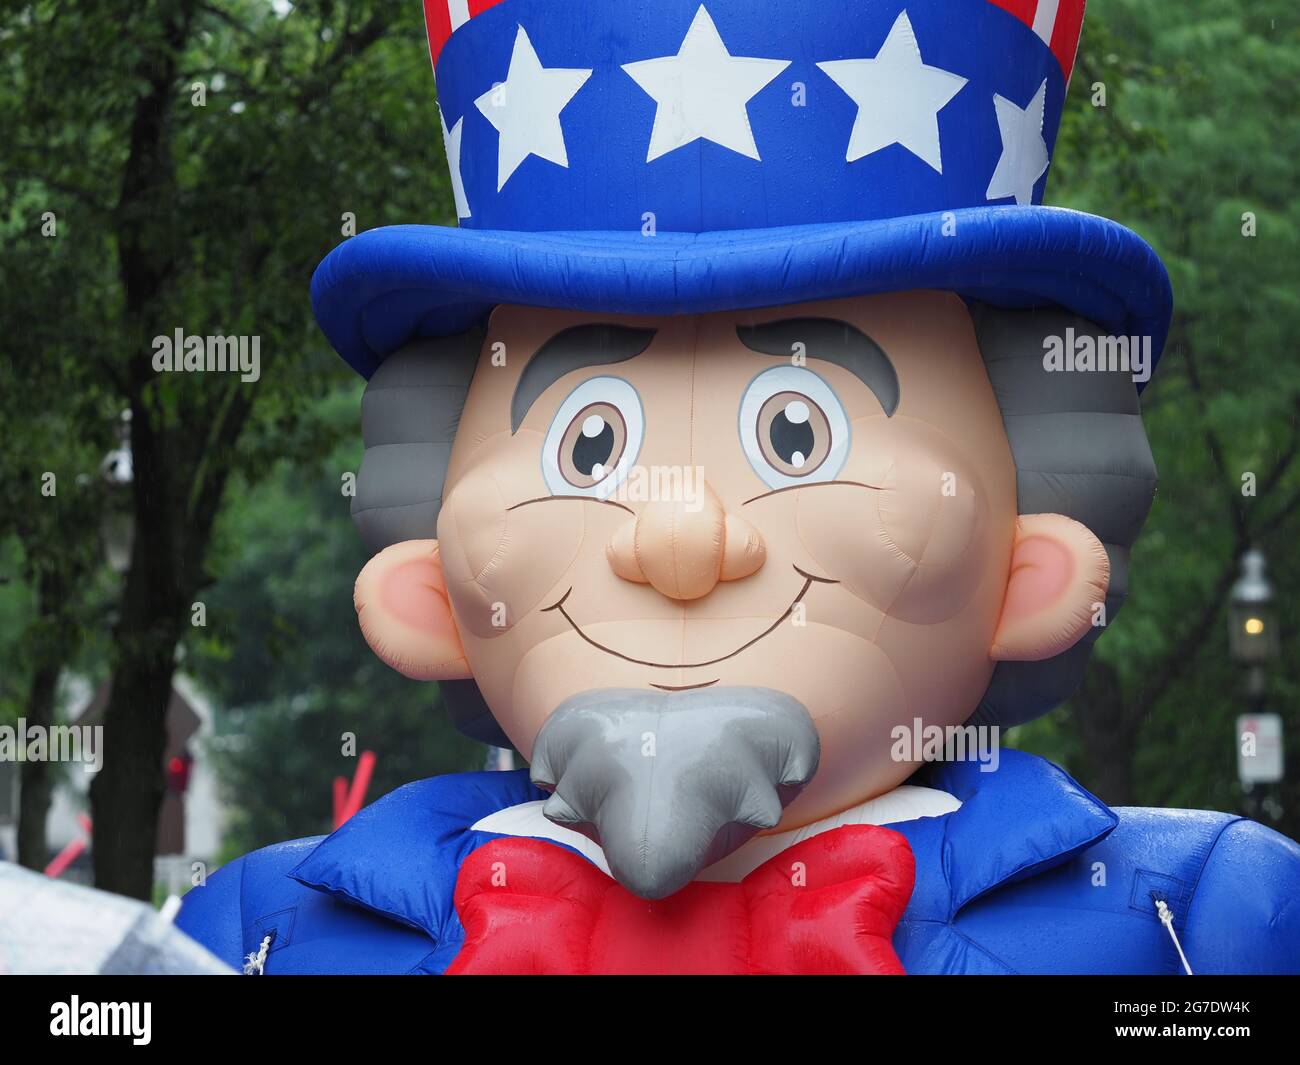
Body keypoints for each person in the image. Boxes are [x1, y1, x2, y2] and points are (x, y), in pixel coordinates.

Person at [178, 0, 1300, 974]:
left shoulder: (1196, 925)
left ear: (1033, 567)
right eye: (588, 446)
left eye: (798, 431)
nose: (678, 535)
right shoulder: (265, 936)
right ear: (424, 590)